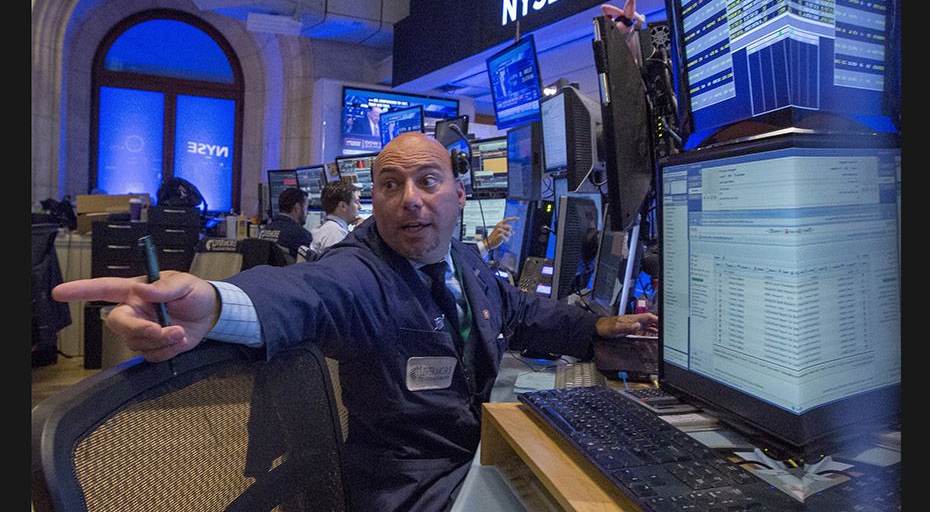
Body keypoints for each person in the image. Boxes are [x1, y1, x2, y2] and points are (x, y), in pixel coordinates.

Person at [52, 132, 658, 512]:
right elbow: (306, 293)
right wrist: (212, 303)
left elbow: (517, 309)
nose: (410, 199)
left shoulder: (464, 260)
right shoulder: (361, 271)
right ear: (375, 202)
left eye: (427, 181)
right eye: (390, 185)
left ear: (458, 196)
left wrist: (592, 334)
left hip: (475, 467)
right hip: (411, 494)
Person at [309, 180, 364, 256]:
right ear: (343, 206)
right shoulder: (335, 234)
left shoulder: (329, 228)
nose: (360, 207)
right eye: (356, 202)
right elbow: (344, 265)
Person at [258, 186, 313, 259]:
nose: (307, 213)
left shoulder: (264, 230)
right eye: (306, 207)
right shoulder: (302, 235)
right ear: (297, 208)